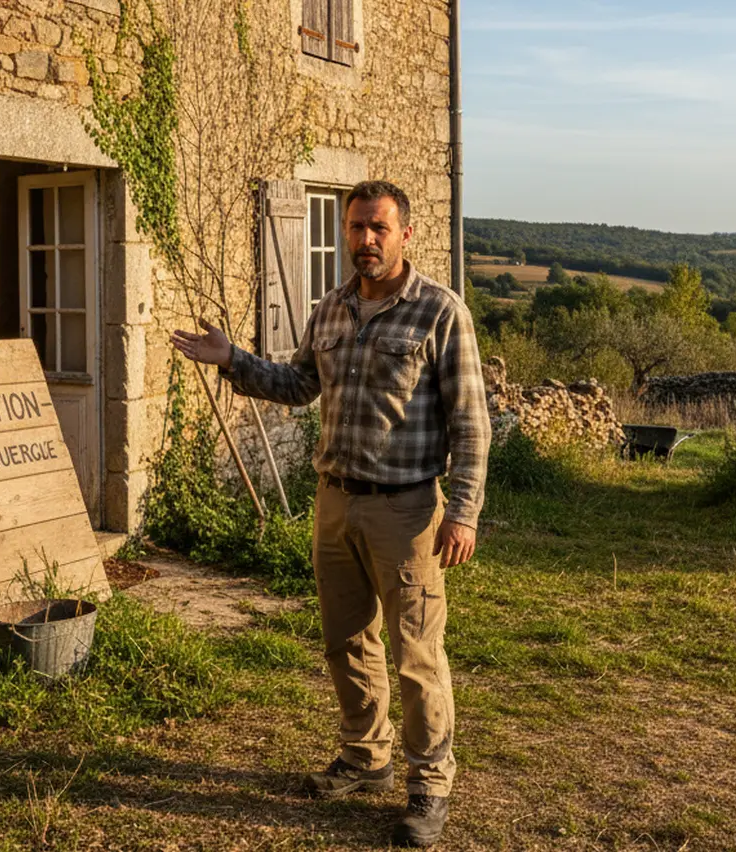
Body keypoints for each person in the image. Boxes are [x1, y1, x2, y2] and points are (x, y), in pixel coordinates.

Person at [170, 180, 491, 848]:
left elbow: (470, 422)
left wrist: (462, 512)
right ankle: (365, 756)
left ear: (405, 234)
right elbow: (297, 385)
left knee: (416, 653)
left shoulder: (440, 311)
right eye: (356, 227)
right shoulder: (331, 309)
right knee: (347, 640)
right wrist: (234, 360)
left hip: (407, 510)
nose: (366, 239)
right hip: (335, 502)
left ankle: (429, 785)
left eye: (379, 227)